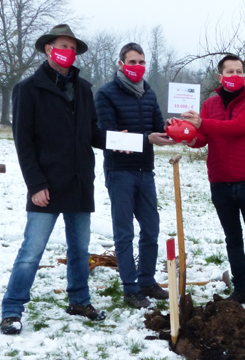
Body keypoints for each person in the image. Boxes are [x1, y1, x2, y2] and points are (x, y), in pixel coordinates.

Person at [2, 24, 107, 335]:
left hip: (78, 183)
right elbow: (24, 142)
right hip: (45, 186)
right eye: (63, 45)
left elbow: (93, 133)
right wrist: (35, 185)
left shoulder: (84, 89)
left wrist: (131, 140)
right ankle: (11, 309)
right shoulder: (28, 89)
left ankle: (79, 301)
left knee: (79, 250)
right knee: (31, 251)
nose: (69, 52)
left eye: (73, 48)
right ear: (48, 48)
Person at [179, 54, 245, 318]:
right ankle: (241, 290)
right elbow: (202, 138)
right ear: (219, 76)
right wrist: (186, 134)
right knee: (232, 240)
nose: (235, 75)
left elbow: (239, 127)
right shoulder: (209, 104)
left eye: (240, 71)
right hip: (220, 181)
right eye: (230, 71)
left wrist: (203, 125)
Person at [95, 43, 175, 308]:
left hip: (145, 171)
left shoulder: (149, 94)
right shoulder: (106, 94)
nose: (137, 67)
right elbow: (109, 137)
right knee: (124, 232)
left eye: (141, 62)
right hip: (119, 172)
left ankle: (147, 281)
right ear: (121, 64)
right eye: (132, 62)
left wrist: (173, 130)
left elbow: (156, 128)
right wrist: (146, 138)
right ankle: (131, 289)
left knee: (151, 229)